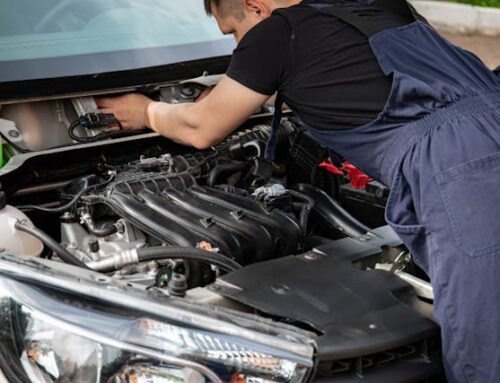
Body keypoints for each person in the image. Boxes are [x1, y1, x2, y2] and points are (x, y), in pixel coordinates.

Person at [97, 0, 500, 381]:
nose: (238, 44)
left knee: (483, 331)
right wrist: (246, 86)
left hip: (458, 167)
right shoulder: (376, 5)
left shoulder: (277, 32)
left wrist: (146, 112)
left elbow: (200, 129)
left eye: (233, 31)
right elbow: (354, 69)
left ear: (255, 5)